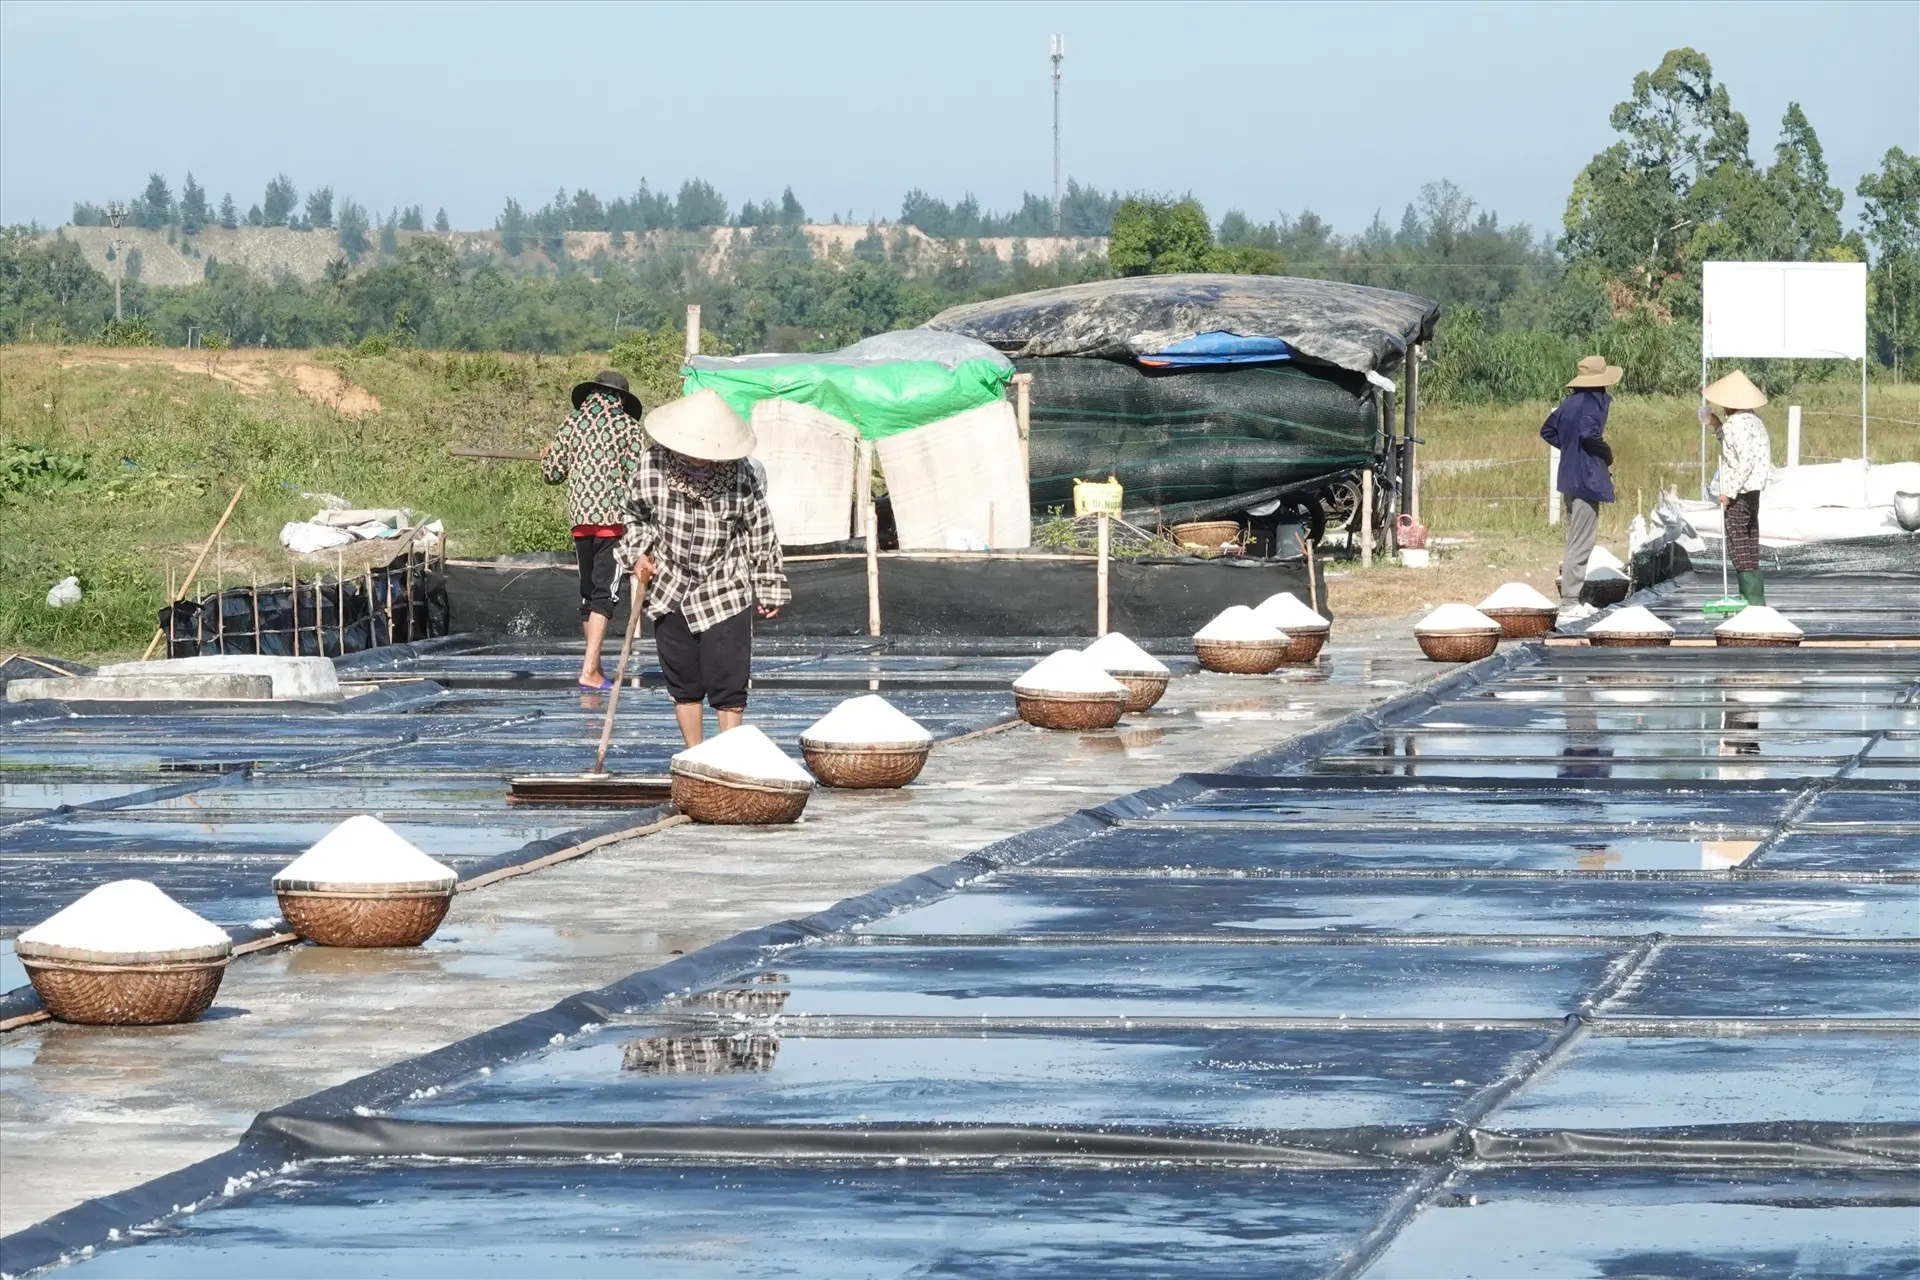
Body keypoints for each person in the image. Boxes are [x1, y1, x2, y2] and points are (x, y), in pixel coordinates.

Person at [616, 389, 789, 747]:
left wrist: (769, 584)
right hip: (670, 583)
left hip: (723, 583)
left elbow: (760, 529)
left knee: (728, 679)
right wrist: (639, 554)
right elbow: (633, 515)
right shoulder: (654, 465)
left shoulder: (740, 476)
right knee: (684, 680)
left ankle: (728, 758)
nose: (699, 459)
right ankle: (696, 758)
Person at [542, 370, 646, 690]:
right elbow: (639, 480)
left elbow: (552, 473)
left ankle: (595, 666)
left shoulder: (572, 424)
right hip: (612, 523)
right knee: (605, 595)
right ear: (621, 399)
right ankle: (589, 670)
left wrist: (547, 457)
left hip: (581, 522)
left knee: (589, 593)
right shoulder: (629, 428)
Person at [1540, 354, 1620, 624]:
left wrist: (1570, 449)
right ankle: (1570, 603)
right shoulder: (1593, 403)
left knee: (1577, 535)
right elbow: (1589, 434)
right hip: (1587, 479)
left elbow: (1548, 431)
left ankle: (1573, 599)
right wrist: (1604, 454)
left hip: (1569, 477)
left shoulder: (1569, 403)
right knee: (1582, 540)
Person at [1702, 370, 1773, 605]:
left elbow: (1742, 462)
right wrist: (1716, 426)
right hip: (1754, 490)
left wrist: (1728, 492)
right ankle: (1755, 597)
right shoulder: (1754, 422)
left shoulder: (1735, 425)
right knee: (1751, 538)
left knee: (1738, 542)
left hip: (1739, 491)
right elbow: (1735, 448)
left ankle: (1749, 597)